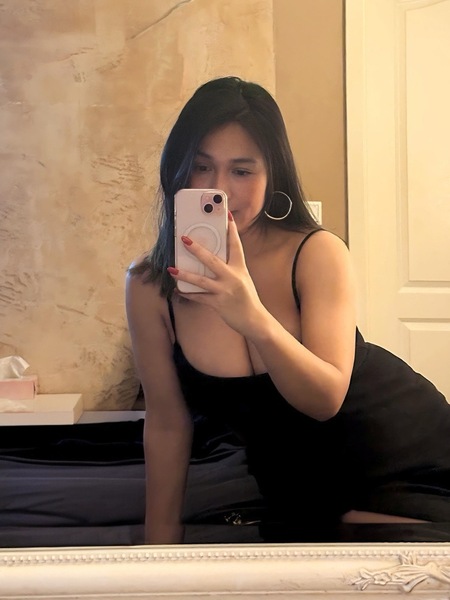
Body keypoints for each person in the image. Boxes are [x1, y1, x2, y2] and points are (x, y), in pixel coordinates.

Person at [125, 76, 450, 545]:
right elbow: (167, 422)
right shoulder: (149, 284)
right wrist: (160, 538)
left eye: (242, 171)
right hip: (301, 494)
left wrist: (252, 316)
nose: (220, 189)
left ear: (271, 175)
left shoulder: (316, 252)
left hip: (411, 460)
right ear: (176, 170)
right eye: (200, 166)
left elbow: (325, 399)